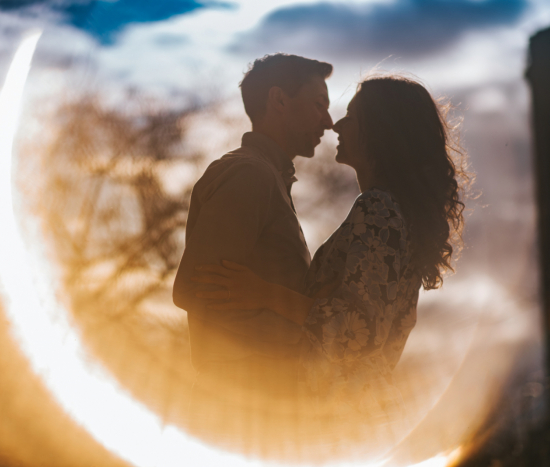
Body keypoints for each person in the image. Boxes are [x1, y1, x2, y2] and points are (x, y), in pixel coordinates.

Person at [191, 75, 470, 417]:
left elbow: (358, 330)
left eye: (351, 116)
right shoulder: (396, 214)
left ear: (379, 130)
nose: (336, 123)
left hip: (339, 412)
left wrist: (262, 293)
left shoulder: (379, 209)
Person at [172, 54, 334, 409]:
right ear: (279, 100)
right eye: (319, 105)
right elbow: (196, 290)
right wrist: (301, 336)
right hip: (243, 404)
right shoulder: (251, 175)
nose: (329, 121)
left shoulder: (268, 177)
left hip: (260, 400)